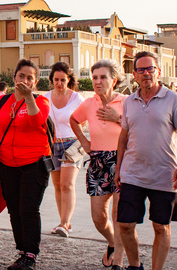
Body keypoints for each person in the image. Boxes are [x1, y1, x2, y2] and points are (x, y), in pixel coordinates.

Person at [0, 59, 51, 270]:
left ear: (35, 81)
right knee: (14, 209)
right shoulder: (2, 102)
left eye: (29, 77)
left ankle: (31, 255)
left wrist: (29, 98)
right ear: (14, 77)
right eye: (21, 76)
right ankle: (22, 251)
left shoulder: (41, 101)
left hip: (34, 163)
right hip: (6, 163)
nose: (24, 80)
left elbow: (35, 121)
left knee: (29, 208)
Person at [114, 51, 177, 270]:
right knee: (125, 224)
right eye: (141, 70)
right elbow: (123, 136)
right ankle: (134, 266)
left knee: (161, 227)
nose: (146, 73)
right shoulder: (129, 101)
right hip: (133, 173)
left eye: (150, 69)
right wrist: (118, 168)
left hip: (164, 175)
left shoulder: (173, 99)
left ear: (158, 72)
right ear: (134, 75)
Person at [70, 59, 126, 270]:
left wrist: (117, 117)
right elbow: (73, 120)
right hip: (98, 161)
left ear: (114, 80)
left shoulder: (126, 102)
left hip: (122, 160)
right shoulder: (89, 103)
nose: (98, 81)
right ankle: (113, 243)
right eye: (94, 77)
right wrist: (84, 142)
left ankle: (118, 262)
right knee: (98, 217)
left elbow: (137, 126)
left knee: (118, 214)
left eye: (103, 77)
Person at [43, 62, 84, 238]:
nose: (59, 83)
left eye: (63, 80)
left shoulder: (77, 99)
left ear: (69, 80)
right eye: (56, 80)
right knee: (58, 186)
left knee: (68, 185)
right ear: (51, 80)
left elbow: (84, 122)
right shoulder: (44, 98)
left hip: (71, 145)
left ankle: (65, 224)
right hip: (51, 146)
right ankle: (63, 222)